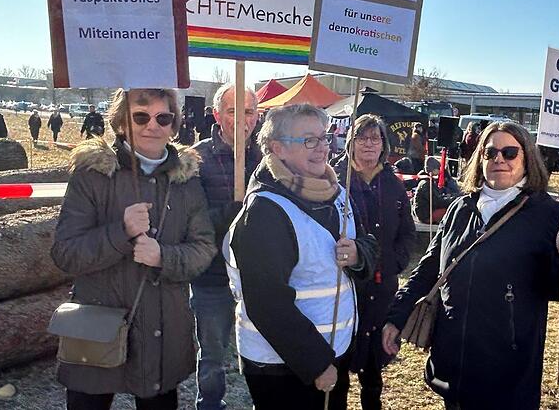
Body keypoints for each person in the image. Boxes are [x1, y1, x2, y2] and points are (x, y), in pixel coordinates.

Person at [383, 121, 559, 409]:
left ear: (527, 157)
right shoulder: (460, 208)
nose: (499, 159)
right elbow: (430, 269)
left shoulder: (548, 214)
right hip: (452, 364)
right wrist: (396, 315)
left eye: (509, 152)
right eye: (490, 153)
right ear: (480, 158)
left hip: (506, 374)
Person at [51, 88, 216, 410]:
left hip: (163, 329)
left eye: (163, 117)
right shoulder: (93, 175)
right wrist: (120, 232)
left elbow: (203, 247)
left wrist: (164, 257)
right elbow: (65, 253)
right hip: (97, 328)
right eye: (141, 116)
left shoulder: (187, 180)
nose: (152, 125)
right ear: (122, 122)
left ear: (173, 125)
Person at [224, 104, 377, 410]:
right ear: (277, 148)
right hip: (284, 365)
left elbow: (368, 242)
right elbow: (267, 304)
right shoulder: (265, 212)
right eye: (309, 140)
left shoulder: (336, 191)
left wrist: (360, 254)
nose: (322, 148)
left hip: (334, 349)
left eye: (324, 138)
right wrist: (316, 364)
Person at [332, 114, 414, 410]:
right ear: (351, 143)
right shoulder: (334, 180)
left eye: (374, 138)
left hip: (381, 286)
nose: (368, 144)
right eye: (362, 137)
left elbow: (407, 232)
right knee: (340, 357)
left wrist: (395, 263)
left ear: (383, 145)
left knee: (373, 366)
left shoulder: (393, 184)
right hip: (345, 285)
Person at [190, 83, 262, 410]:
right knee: (212, 357)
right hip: (212, 276)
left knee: (264, 355)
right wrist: (227, 215)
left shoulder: (270, 156)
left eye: (248, 111)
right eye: (233, 110)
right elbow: (188, 219)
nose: (242, 119)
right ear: (218, 115)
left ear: (257, 116)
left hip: (260, 278)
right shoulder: (196, 159)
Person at [413, 156, 463, 224]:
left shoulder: (428, 181)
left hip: (426, 212)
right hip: (425, 215)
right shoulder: (426, 184)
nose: (440, 170)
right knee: (450, 210)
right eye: (438, 168)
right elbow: (437, 202)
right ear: (433, 170)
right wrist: (453, 199)